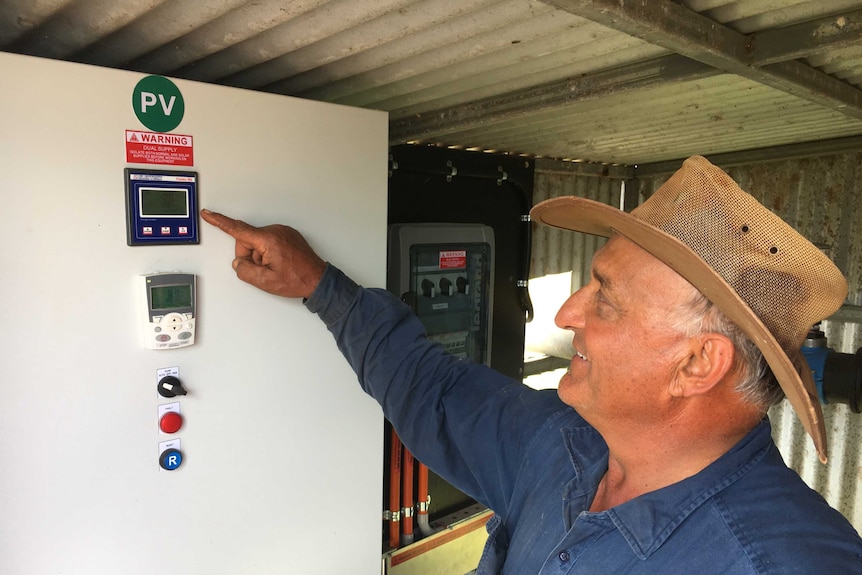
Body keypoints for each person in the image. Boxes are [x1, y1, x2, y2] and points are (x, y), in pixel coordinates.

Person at [201, 156, 862, 574]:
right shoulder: (565, 443)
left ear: (697, 363)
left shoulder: (782, 562)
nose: (568, 312)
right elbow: (431, 391)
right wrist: (318, 282)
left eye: (606, 298)